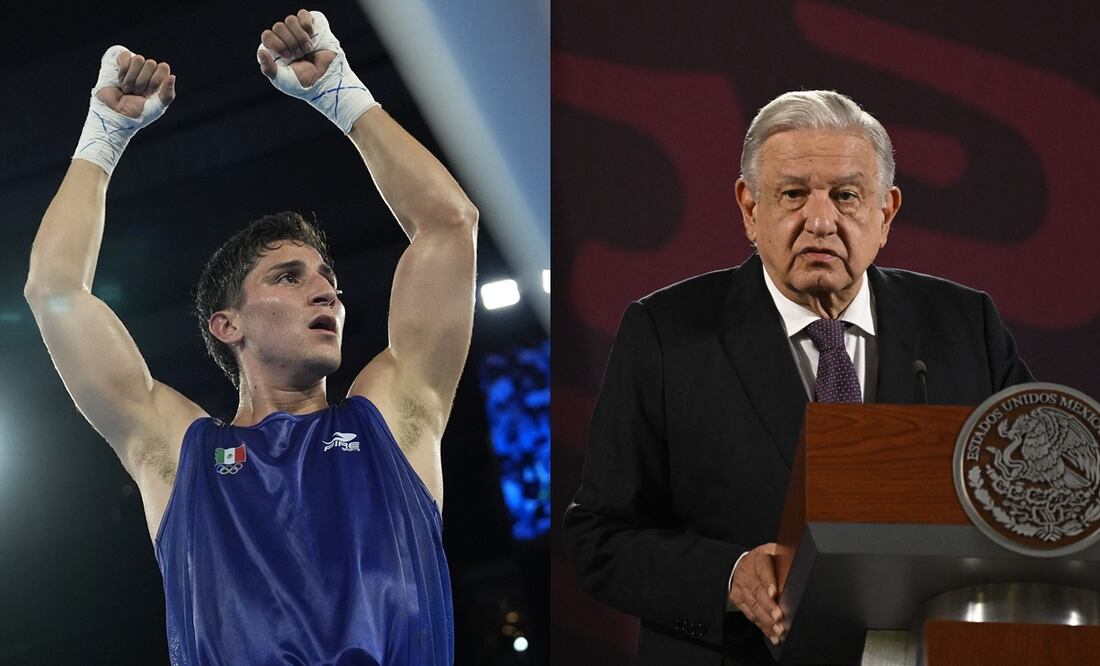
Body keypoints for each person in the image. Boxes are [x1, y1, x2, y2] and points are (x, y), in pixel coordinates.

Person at [24, 9, 476, 665]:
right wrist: (105, 135)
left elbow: (449, 225)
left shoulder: (396, 420)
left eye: (329, 280)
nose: (326, 293)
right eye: (289, 278)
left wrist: (342, 94)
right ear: (227, 325)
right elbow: (55, 291)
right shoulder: (178, 457)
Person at [562, 90, 1033, 665]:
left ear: (886, 213)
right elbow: (599, 537)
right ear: (749, 208)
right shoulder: (666, 334)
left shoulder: (965, 326)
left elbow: (1036, 500)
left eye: (846, 196)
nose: (820, 221)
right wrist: (728, 576)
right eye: (793, 194)